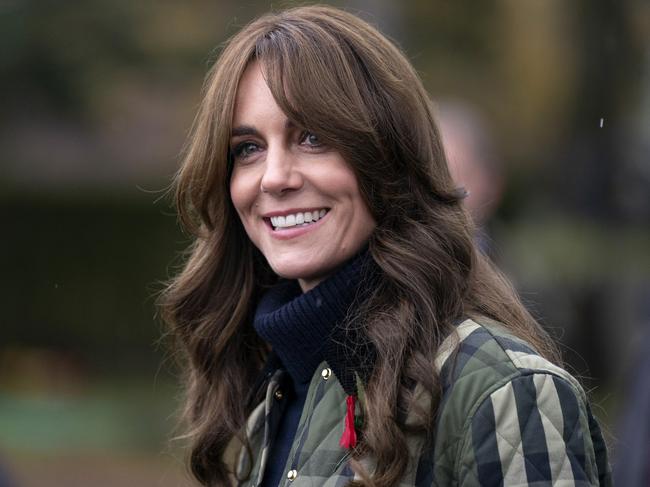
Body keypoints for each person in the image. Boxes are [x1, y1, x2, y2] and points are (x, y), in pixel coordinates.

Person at [161, 6, 611, 486]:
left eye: (312, 137)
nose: (274, 178)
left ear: (390, 157)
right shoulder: (266, 402)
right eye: (248, 148)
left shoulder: (503, 393)